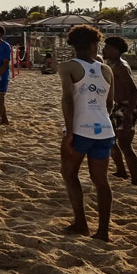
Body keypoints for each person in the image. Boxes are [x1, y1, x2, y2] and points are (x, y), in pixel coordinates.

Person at [59, 24, 115, 241]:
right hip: (104, 131)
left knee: (70, 174)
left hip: (80, 130)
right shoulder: (106, 70)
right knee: (101, 181)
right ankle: (103, 231)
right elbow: (110, 104)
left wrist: (70, 131)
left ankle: (81, 222)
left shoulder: (68, 67)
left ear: (73, 45)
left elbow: (67, 99)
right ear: (94, 45)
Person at [104, 36, 137, 187]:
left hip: (126, 107)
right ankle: (121, 171)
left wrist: (128, 115)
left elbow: (134, 92)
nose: (104, 49)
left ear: (115, 50)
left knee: (125, 145)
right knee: (111, 141)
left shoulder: (119, 65)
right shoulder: (112, 64)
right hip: (118, 106)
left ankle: (136, 181)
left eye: (107, 47)